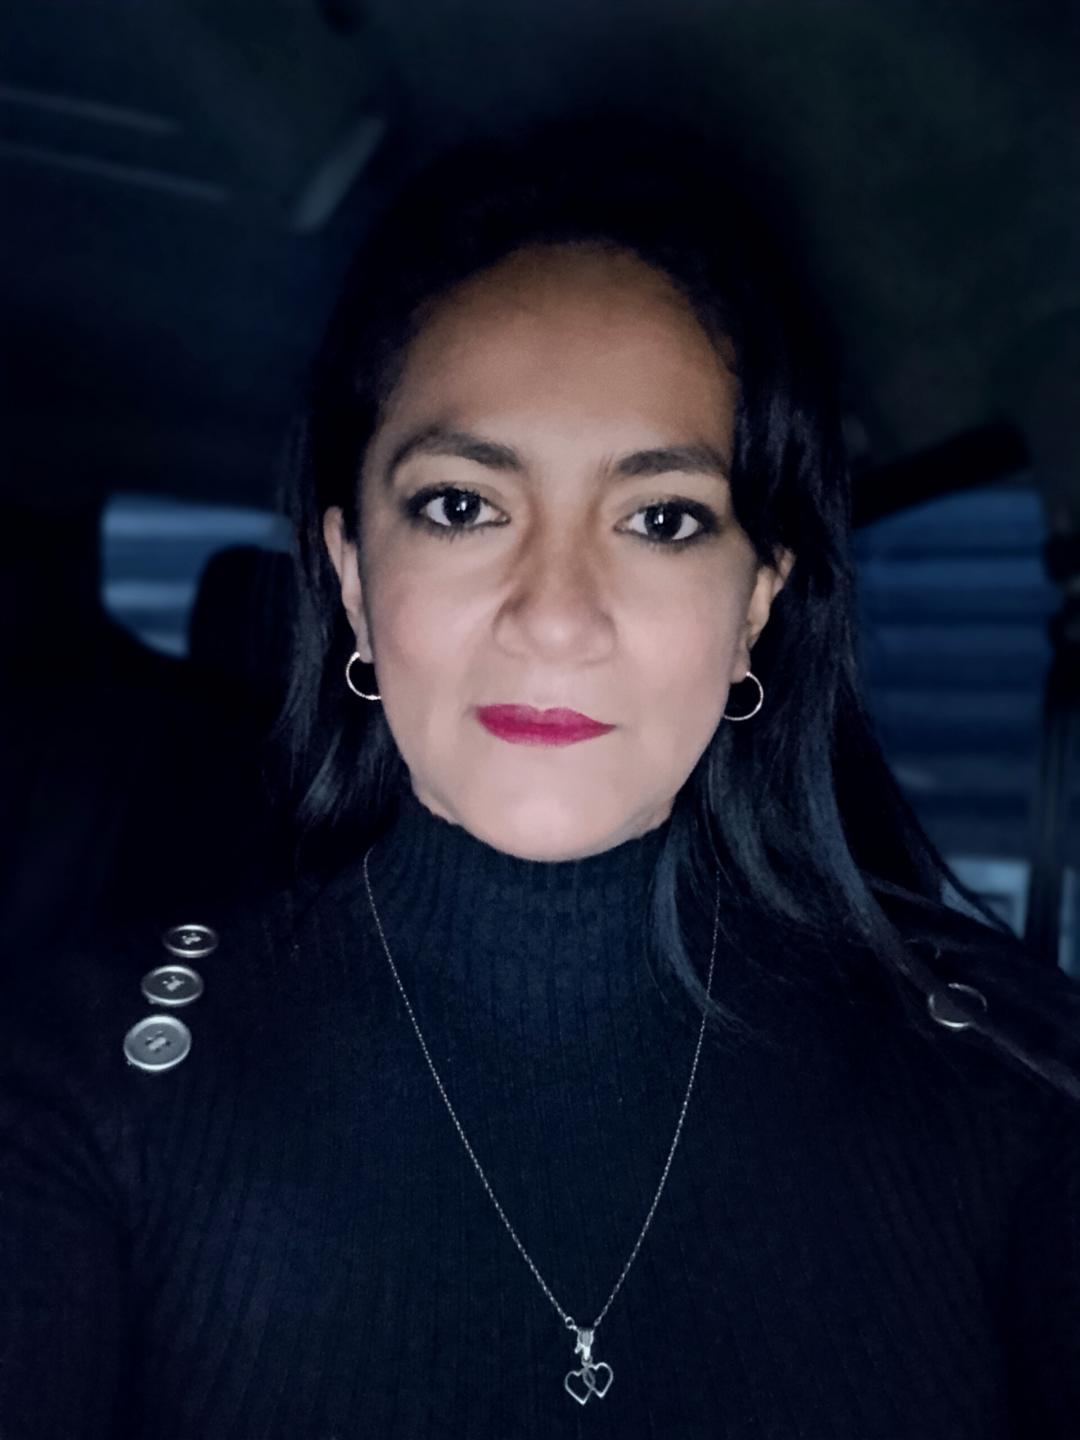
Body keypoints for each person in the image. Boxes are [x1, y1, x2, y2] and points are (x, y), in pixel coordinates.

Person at [2, 117, 1079, 1440]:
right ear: (352, 575)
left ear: (757, 604)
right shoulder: (79, 1089)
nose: (555, 618)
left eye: (662, 519)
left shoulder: (1019, 1090)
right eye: (462, 505)